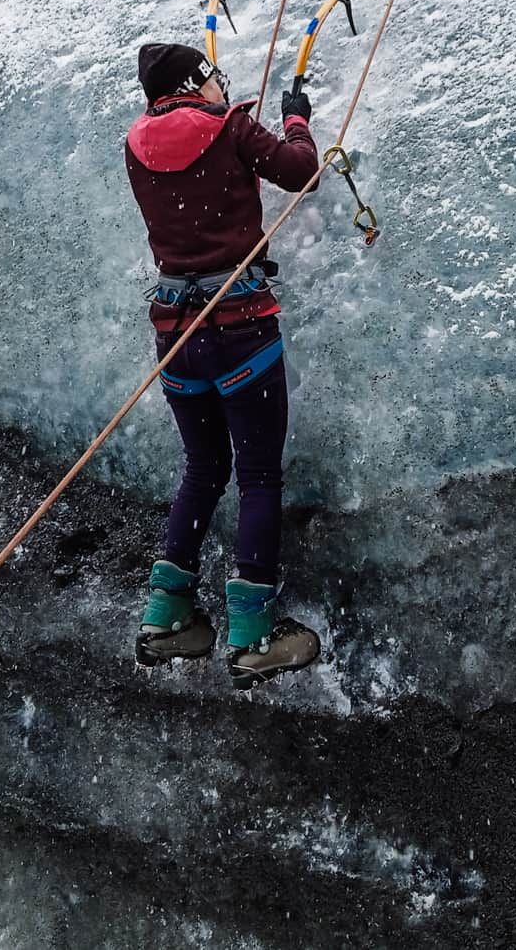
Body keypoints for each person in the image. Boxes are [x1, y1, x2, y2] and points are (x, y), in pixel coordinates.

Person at [124, 41, 323, 688]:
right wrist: (295, 118)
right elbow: (300, 170)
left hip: (176, 334)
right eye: (211, 75)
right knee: (259, 475)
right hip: (239, 329)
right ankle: (253, 633)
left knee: (205, 467)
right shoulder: (230, 127)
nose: (220, 83)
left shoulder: (135, 146)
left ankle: (167, 616)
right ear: (192, 81)